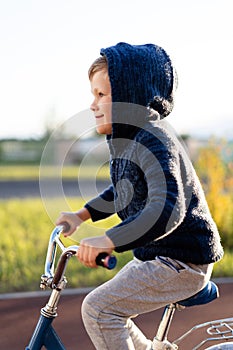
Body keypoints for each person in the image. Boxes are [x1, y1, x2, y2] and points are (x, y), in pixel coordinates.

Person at [56, 42, 224, 350]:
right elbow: (123, 192)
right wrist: (81, 216)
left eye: (101, 95)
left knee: (99, 310)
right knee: (111, 307)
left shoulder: (155, 140)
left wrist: (108, 240)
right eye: (93, 95)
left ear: (128, 97)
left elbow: (166, 209)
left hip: (183, 261)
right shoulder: (128, 140)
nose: (92, 105)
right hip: (160, 256)